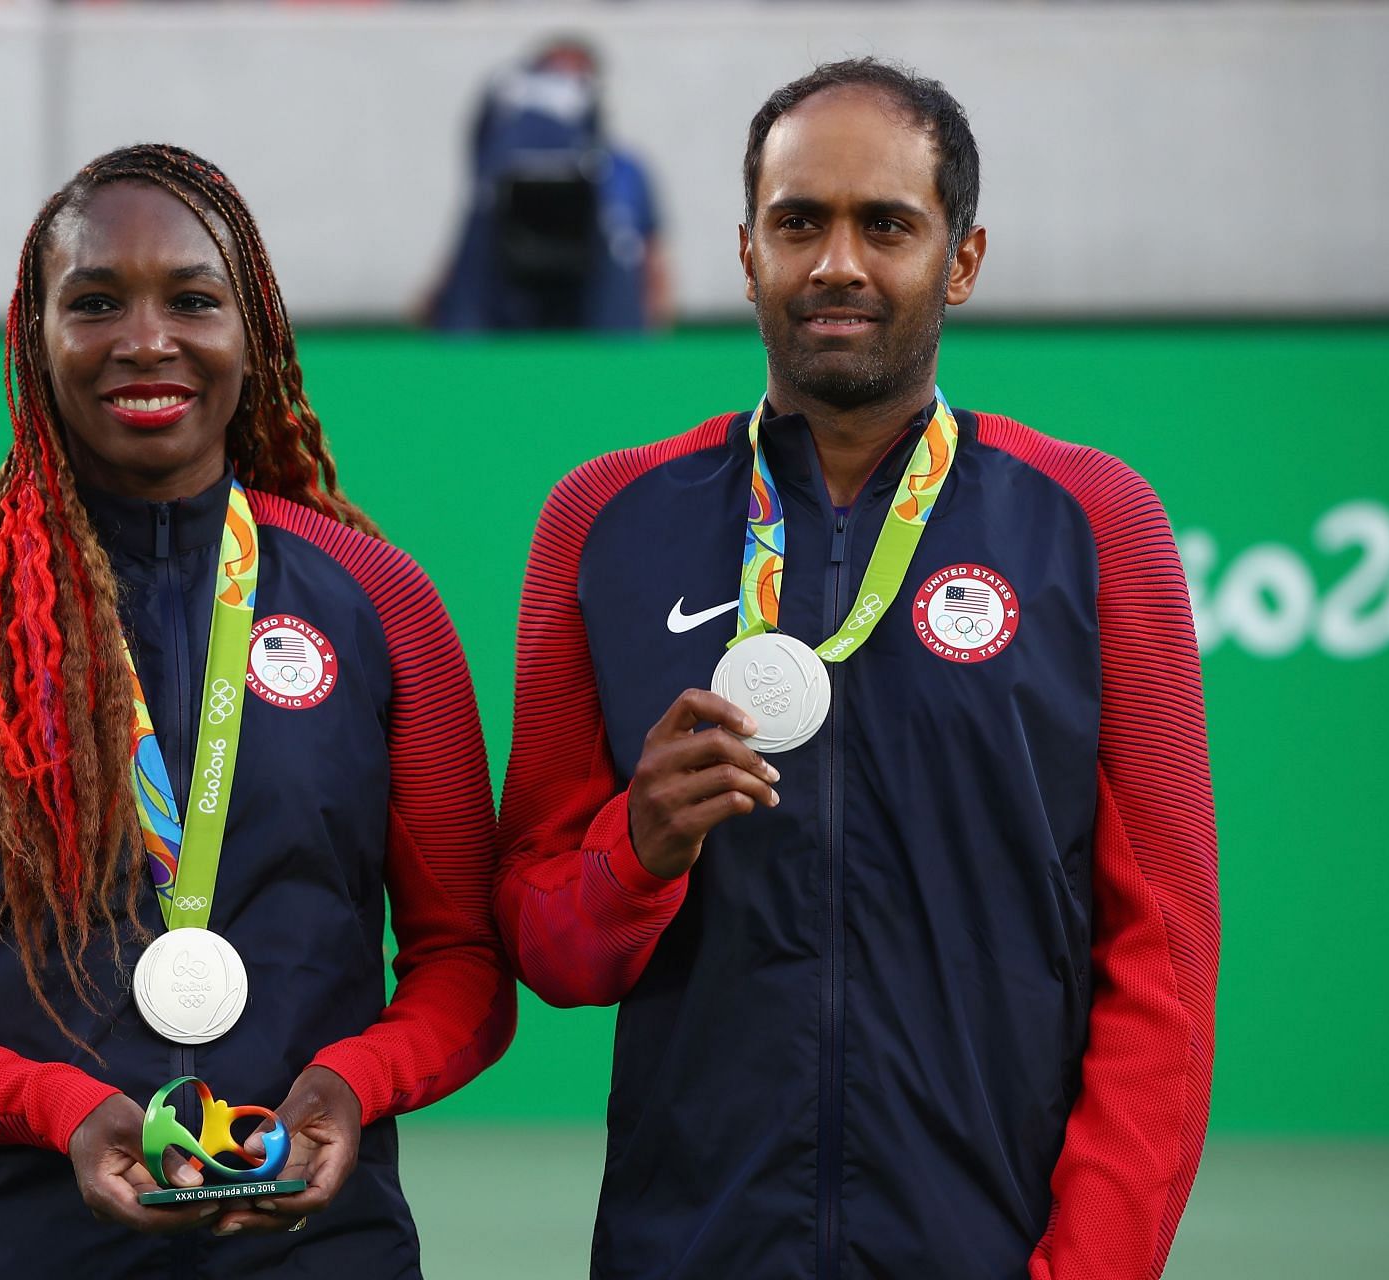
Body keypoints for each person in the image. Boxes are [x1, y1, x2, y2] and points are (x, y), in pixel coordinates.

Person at [495, 60, 1219, 1279]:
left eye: (885, 224)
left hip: (988, 1248)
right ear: (745, 251)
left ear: (964, 259)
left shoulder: (1094, 520)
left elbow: (1164, 960)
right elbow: (546, 938)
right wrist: (638, 850)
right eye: (799, 223)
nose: (837, 262)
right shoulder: (606, 518)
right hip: (689, 1249)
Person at [0, 143, 515, 1278]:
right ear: (36, 336)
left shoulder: (379, 602)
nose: (147, 339)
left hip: (321, 1249)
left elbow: (464, 962)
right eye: (96, 301)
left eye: (193, 301)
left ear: (250, 329)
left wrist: (351, 1085)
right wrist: (52, 1105)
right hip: (17, 1247)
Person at [426, 37, 668, 332]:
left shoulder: (624, 171)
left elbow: (652, 255)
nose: (562, 83)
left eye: (574, 74)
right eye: (550, 71)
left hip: (595, 320)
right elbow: (474, 235)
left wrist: (653, 322)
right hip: (505, 318)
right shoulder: (501, 161)